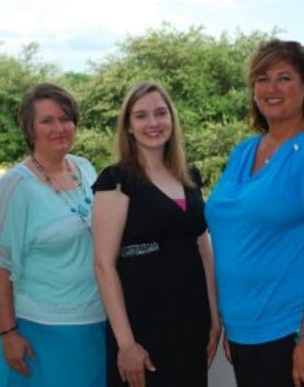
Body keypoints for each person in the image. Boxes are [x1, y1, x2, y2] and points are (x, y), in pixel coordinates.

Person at [204, 38, 304, 387]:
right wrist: (236, 323)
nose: (271, 88)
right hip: (251, 334)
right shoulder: (244, 152)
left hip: (302, 331)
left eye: (284, 77)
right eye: (262, 79)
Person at [92, 80, 221, 387]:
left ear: (172, 120)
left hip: (191, 320)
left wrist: (214, 318)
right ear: (129, 127)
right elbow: (103, 265)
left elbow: (204, 250)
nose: (153, 123)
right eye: (141, 115)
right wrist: (126, 344)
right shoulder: (116, 180)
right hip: (142, 325)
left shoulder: (189, 176)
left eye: (161, 113)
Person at [0, 83, 106, 386]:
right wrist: (8, 335)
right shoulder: (14, 189)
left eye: (65, 118)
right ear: (30, 128)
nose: (59, 128)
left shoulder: (85, 169)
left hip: (94, 324)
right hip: (40, 330)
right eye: (47, 121)